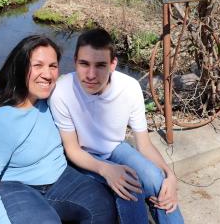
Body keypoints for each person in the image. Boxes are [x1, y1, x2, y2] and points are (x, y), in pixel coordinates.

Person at [0, 35, 117, 224]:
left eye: (52, 66)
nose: (47, 74)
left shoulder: (51, 98)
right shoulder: (1, 119)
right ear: (20, 67)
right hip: (16, 187)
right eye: (37, 65)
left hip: (61, 177)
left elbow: (91, 82)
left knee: (102, 205)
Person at [49, 28, 184, 224]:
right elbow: (72, 149)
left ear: (113, 64)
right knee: (130, 186)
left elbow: (144, 145)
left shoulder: (129, 88)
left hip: (116, 148)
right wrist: (105, 170)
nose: (91, 74)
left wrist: (169, 175)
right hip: (84, 157)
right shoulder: (62, 91)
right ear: (75, 61)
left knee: (157, 180)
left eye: (100, 65)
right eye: (84, 64)